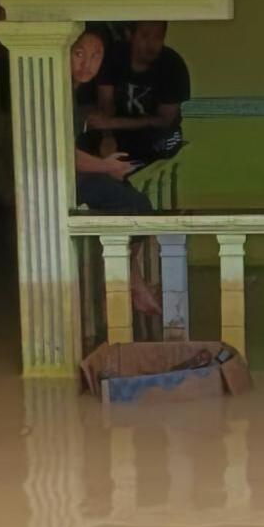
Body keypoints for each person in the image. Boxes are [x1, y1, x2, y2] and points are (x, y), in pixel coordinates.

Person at [70, 29, 160, 315]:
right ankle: (128, 282)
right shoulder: (55, 89)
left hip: (79, 174)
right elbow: (59, 156)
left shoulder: (73, 91)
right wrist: (106, 166)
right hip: (59, 181)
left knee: (141, 206)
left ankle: (130, 279)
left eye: (96, 55)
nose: (87, 64)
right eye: (79, 53)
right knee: (131, 206)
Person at [88, 21, 190, 168]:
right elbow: (105, 102)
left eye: (158, 37)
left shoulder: (173, 66)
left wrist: (115, 122)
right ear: (131, 35)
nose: (151, 44)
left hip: (155, 135)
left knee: (167, 141)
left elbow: (165, 121)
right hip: (117, 133)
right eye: (145, 36)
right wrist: (107, 135)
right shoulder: (114, 56)